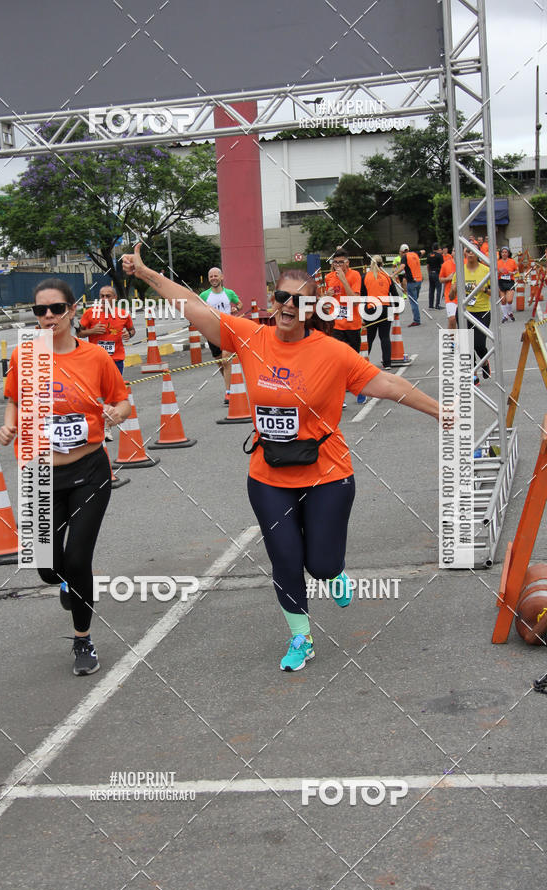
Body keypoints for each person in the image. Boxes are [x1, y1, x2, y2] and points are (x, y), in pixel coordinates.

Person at [122, 245, 440, 673]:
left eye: (299, 300)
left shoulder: (333, 352)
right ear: (273, 302)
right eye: (281, 298)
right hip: (269, 475)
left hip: (327, 473)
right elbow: (192, 306)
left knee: (322, 565)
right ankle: (301, 636)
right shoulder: (250, 336)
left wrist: (440, 411)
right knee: (286, 560)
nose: (288, 306)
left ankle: (334, 573)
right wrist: (145, 274)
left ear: (312, 307)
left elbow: (383, 382)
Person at [0, 278, 131, 676]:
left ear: (73, 310)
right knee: (45, 565)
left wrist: (116, 414)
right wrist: (8, 428)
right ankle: (65, 585)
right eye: (41, 311)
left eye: (56, 309)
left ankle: (83, 639)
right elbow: (14, 400)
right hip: (39, 472)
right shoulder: (25, 357)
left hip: (89, 470)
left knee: (77, 560)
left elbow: (121, 400)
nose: (49, 316)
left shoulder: (94, 357)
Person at [324, 249, 367, 403]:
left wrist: (343, 280)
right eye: (335, 262)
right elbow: (326, 303)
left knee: (354, 361)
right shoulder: (328, 277)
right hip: (336, 325)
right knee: (337, 362)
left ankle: (360, 388)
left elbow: (354, 300)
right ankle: (339, 396)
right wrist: (326, 296)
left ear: (348, 262)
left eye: (341, 262)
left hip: (352, 324)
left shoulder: (355, 276)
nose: (337, 265)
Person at [199, 267, 243, 403]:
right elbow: (198, 309)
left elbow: (240, 303)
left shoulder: (229, 293)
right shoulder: (204, 295)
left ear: (222, 277)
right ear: (208, 279)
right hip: (212, 332)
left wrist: (236, 308)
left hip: (227, 329)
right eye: (211, 276)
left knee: (226, 359)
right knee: (220, 363)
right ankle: (230, 385)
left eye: (215, 276)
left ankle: (229, 392)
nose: (213, 278)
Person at [450, 247, 492, 379]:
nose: (470, 254)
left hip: (482, 311)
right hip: (464, 311)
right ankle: (473, 374)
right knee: (466, 344)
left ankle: (484, 362)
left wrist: (480, 288)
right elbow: (451, 296)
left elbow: (493, 293)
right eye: (468, 251)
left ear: (478, 254)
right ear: (464, 254)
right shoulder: (460, 271)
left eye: (473, 251)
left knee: (479, 344)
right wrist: (454, 289)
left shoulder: (485, 270)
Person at [78, 284, 135, 375]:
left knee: (115, 388)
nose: (104, 299)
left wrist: (129, 334)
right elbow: (78, 333)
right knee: (97, 388)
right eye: (102, 296)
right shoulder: (90, 313)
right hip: (96, 359)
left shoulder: (123, 314)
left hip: (116, 359)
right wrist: (92, 331)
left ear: (115, 297)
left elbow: (132, 330)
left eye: (108, 296)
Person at [363, 255, 398, 369]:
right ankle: (387, 363)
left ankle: (363, 361)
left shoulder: (365, 277)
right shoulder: (387, 277)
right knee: (385, 336)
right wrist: (396, 308)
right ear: (382, 264)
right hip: (385, 308)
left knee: (369, 337)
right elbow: (395, 295)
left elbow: (362, 296)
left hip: (371, 309)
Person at [395, 243, 423, 326]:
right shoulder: (414, 254)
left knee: (413, 301)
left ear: (401, 251)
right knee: (415, 299)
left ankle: (416, 320)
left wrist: (394, 274)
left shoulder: (404, 257)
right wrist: (418, 256)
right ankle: (417, 317)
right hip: (419, 281)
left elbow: (402, 267)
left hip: (411, 282)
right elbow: (423, 251)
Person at [497, 246, 518, 323]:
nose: (504, 254)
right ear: (500, 253)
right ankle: (505, 316)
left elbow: (516, 271)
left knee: (509, 300)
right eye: (503, 252)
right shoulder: (498, 262)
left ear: (508, 253)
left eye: (506, 252)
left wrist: (511, 273)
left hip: (510, 281)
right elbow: (494, 273)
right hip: (501, 281)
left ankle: (509, 312)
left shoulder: (512, 261)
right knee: (503, 300)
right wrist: (499, 272)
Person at [439, 248, 457, 328]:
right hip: (450, 296)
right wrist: (448, 278)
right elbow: (440, 279)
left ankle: (463, 339)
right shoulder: (445, 264)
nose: (455, 252)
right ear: (451, 253)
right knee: (452, 319)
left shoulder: (466, 263)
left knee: (464, 320)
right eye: (453, 250)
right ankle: (451, 339)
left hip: (465, 296)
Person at [426, 243, 444, 310]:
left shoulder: (429, 255)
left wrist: (429, 273)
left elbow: (427, 266)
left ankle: (430, 305)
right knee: (439, 289)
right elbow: (442, 266)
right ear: (438, 248)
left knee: (431, 289)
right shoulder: (439, 256)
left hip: (431, 273)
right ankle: (437, 305)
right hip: (437, 273)